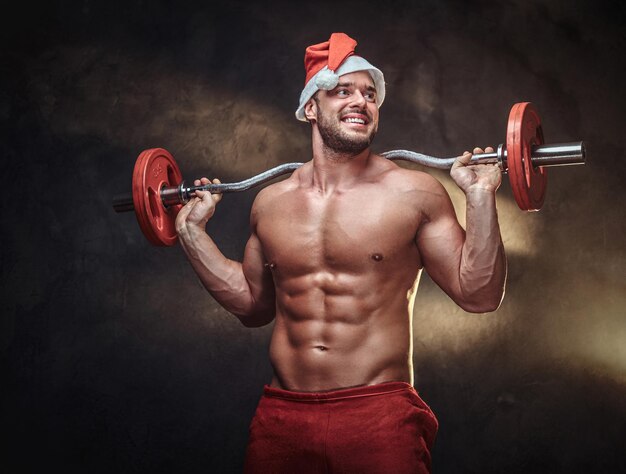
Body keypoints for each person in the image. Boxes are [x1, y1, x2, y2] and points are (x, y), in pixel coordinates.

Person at [175, 33, 506, 474]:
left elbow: (478, 294)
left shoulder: (414, 192)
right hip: (283, 416)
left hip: (378, 413)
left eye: (370, 94)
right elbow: (253, 307)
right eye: (343, 91)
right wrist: (192, 234)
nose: (361, 102)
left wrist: (481, 197)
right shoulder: (270, 203)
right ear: (311, 107)